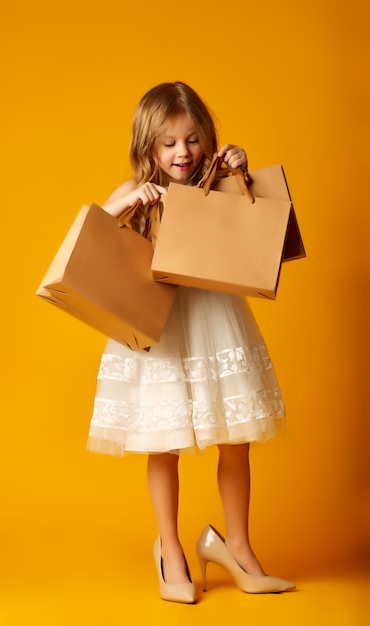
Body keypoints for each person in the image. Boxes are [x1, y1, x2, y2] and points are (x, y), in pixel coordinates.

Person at [87, 81, 295, 603]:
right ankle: (171, 550)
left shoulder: (216, 181)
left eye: (193, 139)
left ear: (207, 139)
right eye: (169, 143)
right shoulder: (135, 191)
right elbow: (86, 235)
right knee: (165, 442)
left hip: (214, 315)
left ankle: (238, 548)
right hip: (161, 329)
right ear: (147, 148)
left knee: (236, 437)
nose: (183, 153)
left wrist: (237, 169)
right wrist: (130, 200)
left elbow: (250, 217)